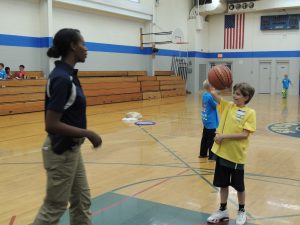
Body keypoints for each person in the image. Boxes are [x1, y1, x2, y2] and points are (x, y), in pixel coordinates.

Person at [33, 28, 102, 225]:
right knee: (54, 207)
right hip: (60, 152)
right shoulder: (62, 78)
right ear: (73, 46)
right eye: (83, 44)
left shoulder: (69, 75)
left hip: (72, 149)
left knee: (81, 200)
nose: (86, 49)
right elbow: (51, 123)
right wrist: (88, 133)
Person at [207, 83, 256, 225]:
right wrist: (215, 85)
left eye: (239, 94)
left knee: (239, 187)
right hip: (222, 154)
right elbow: (214, 94)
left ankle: (241, 211)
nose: (235, 95)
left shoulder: (250, 113)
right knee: (222, 184)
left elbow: (244, 135)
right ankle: (223, 210)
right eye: (234, 92)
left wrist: (223, 136)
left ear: (246, 97)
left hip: (236, 156)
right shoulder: (228, 106)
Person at [199, 80, 219, 159]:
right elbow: (216, 106)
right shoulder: (210, 96)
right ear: (210, 87)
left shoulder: (204, 95)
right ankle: (212, 156)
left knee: (205, 137)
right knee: (211, 139)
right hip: (211, 121)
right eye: (213, 85)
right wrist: (217, 98)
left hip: (206, 119)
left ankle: (203, 153)